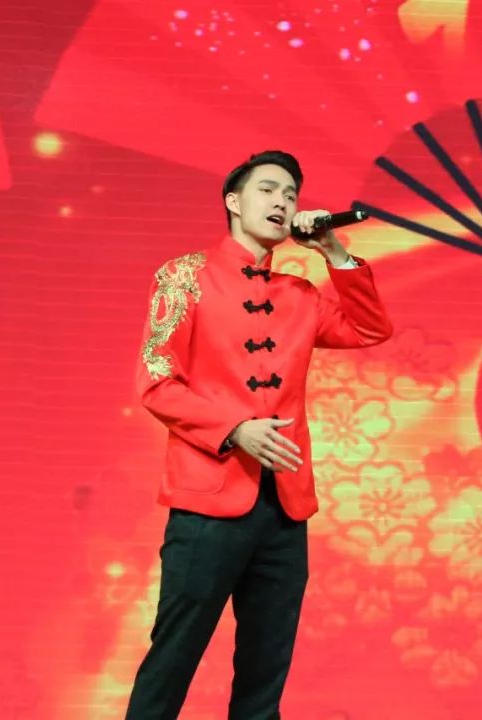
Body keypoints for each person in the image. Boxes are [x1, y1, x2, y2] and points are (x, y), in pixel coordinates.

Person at [124, 150, 393, 719]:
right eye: (268, 189)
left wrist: (333, 251)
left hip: (284, 510)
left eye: (291, 194)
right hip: (207, 505)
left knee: (264, 676)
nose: (282, 201)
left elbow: (370, 329)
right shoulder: (184, 277)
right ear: (233, 201)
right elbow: (156, 381)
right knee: (172, 661)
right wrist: (234, 430)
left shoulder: (300, 295)